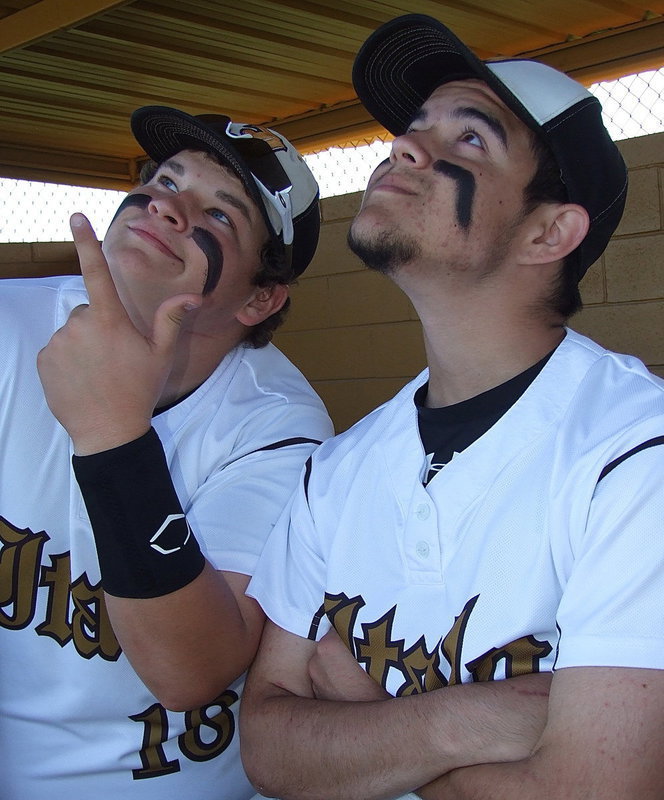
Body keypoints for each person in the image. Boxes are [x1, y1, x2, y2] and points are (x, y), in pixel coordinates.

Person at [240, 14, 664, 800]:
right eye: (414, 128)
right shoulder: (337, 469)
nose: (404, 146)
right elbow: (266, 745)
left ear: (549, 233)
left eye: (470, 137)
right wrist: (457, 725)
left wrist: (363, 716)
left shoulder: (638, 455)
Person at [0, 105, 333, 799]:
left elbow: (191, 671)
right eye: (165, 180)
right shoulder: (8, 326)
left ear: (259, 300)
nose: (168, 206)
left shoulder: (278, 422)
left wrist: (113, 435)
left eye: (219, 215)